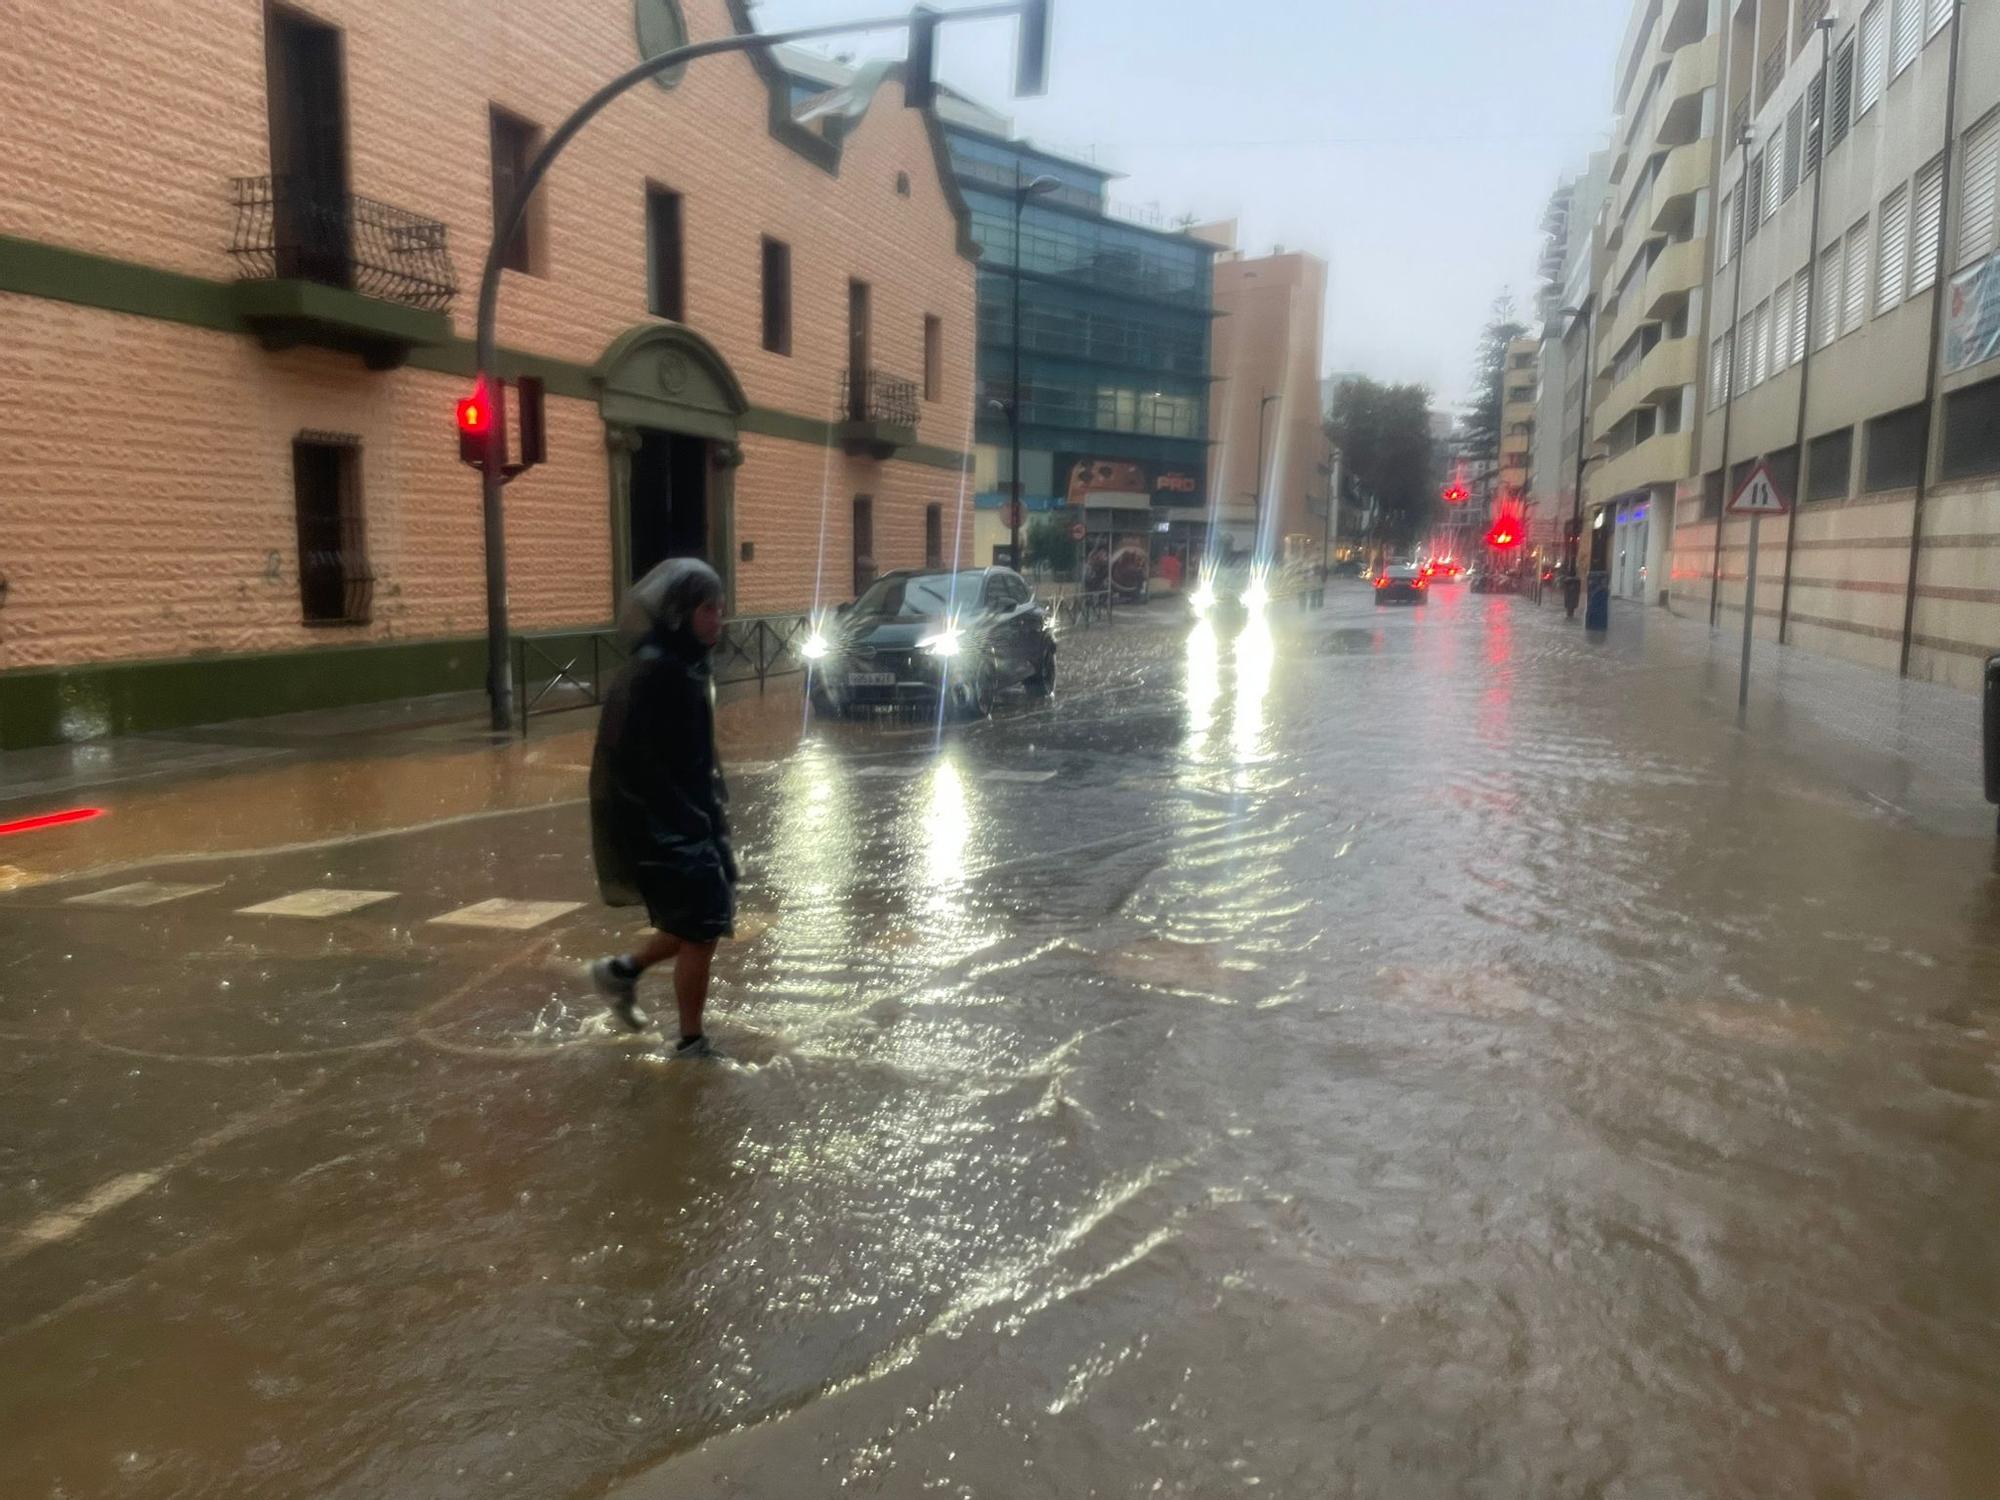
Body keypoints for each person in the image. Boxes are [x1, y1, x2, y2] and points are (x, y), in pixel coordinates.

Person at [587, 558, 737, 1059]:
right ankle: (691, 1041)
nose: (719, 618)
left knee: (694, 921)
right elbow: (631, 759)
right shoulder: (655, 670)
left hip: (689, 819)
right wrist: (682, 825)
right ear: (679, 612)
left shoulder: (687, 663)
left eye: (721, 608)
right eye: (708, 608)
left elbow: (696, 755)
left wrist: (713, 816)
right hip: (663, 824)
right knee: (702, 929)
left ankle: (620, 972)